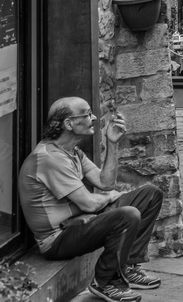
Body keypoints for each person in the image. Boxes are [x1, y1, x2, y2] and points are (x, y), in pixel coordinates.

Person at [18, 98, 163, 302]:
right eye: (87, 114)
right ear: (68, 124)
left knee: (150, 194)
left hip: (79, 223)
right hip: (57, 239)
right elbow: (90, 203)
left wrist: (112, 143)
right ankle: (106, 282)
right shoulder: (49, 158)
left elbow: (105, 182)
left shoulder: (72, 152)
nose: (93, 117)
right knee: (127, 215)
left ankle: (127, 266)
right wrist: (109, 198)